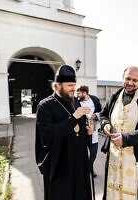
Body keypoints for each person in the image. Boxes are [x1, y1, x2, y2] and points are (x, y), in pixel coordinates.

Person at [100, 66, 138, 200]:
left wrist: (126, 139)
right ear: (123, 78)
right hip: (115, 156)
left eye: (135, 80)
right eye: (128, 79)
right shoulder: (115, 96)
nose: (130, 82)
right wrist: (105, 124)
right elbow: (103, 115)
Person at [35, 65, 94, 200]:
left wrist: (87, 132)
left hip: (79, 163)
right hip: (61, 166)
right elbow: (48, 135)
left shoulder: (75, 102)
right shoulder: (45, 106)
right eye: (69, 85)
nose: (73, 88)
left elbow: (78, 131)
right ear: (57, 86)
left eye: (74, 85)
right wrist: (73, 118)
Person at [77, 85, 102, 178]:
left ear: (84, 93)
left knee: (93, 153)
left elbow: (101, 111)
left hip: (94, 131)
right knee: (82, 153)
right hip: (82, 132)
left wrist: (95, 115)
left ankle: (89, 167)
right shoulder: (76, 102)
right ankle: (86, 170)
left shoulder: (95, 99)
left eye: (79, 93)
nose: (77, 95)